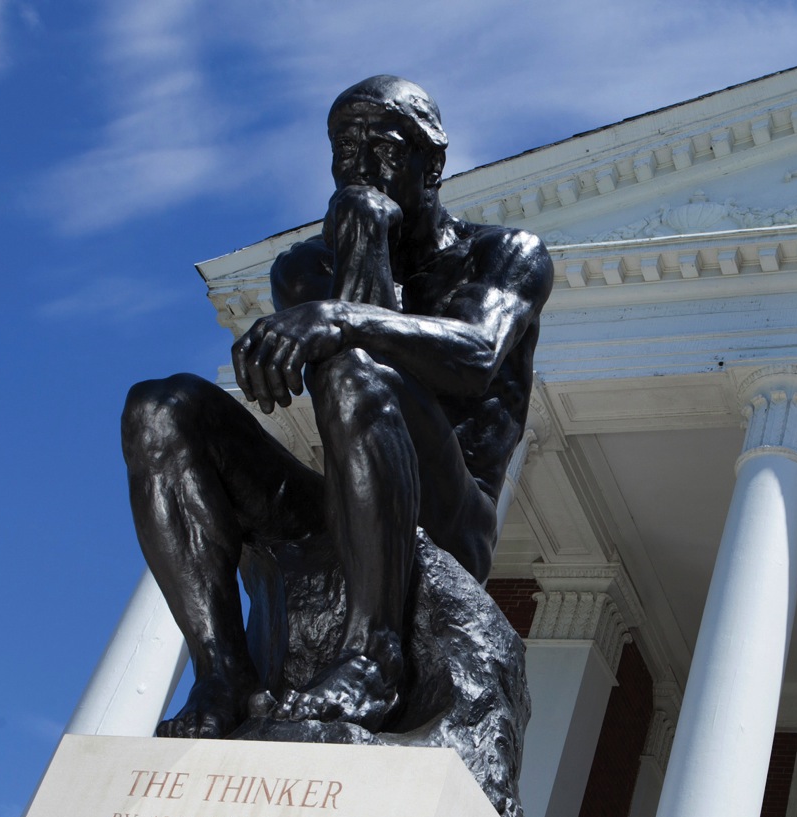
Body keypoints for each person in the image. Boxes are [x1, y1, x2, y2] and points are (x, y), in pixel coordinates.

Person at [121, 75, 553, 738]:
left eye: (375, 147)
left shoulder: (503, 255)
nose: (354, 168)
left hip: (449, 515)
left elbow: (474, 357)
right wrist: (361, 239)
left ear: (430, 162)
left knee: (353, 364)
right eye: (340, 151)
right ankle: (223, 673)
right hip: (345, 499)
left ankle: (375, 654)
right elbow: (345, 363)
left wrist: (343, 316)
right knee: (161, 407)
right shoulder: (304, 268)